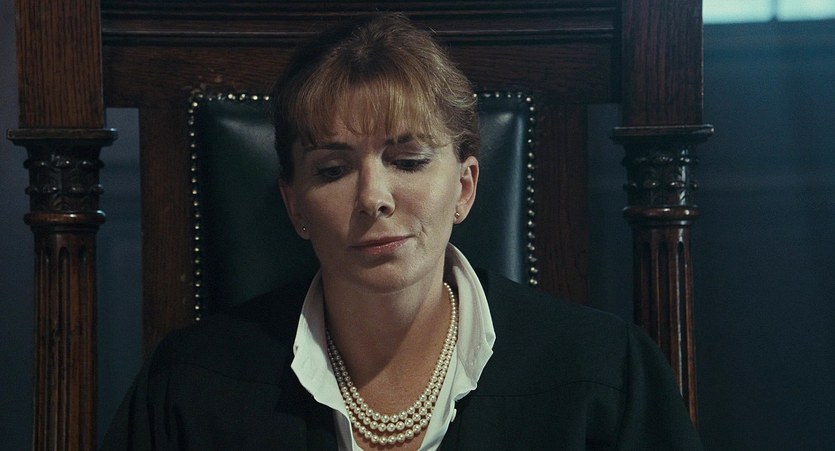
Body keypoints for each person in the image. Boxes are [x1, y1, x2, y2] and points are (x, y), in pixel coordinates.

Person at [102, 13, 702, 451]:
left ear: (464, 187)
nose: (374, 198)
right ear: (295, 205)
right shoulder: (189, 385)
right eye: (332, 170)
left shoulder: (603, 372)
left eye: (408, 161)